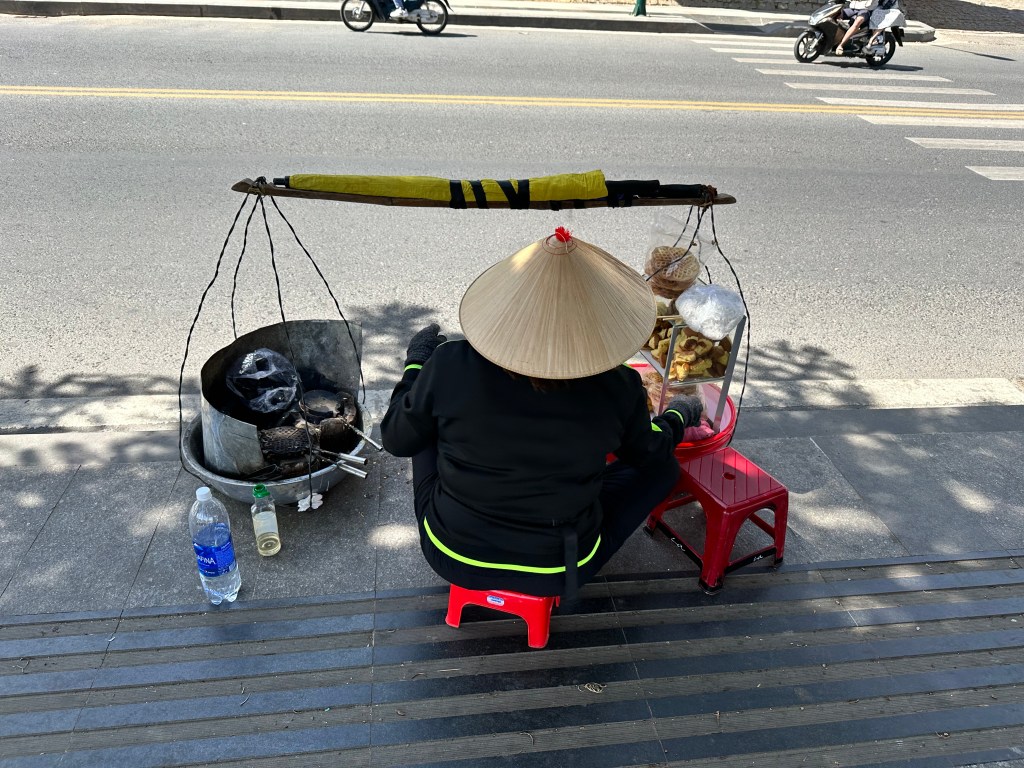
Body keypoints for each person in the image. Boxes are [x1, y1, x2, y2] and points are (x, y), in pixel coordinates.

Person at [380, 228, 705, 600]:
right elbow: (647, 452)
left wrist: (416, 366)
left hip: (453, 554)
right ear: (596, 325)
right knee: (663, 468)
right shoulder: (619, 385)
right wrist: (678, 416)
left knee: (419, 420)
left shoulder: (450, 363)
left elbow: (396, 439)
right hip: (557, 569)